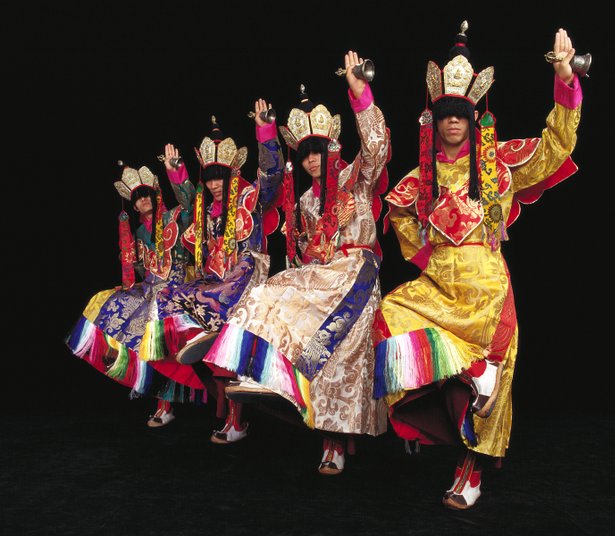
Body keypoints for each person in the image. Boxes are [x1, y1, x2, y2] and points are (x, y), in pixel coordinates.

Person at [373, 23, 583, 509]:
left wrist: (565, 79)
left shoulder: (500, 164)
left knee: (490, 388)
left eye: (460, 115)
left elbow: (556, 147)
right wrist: (424, 256)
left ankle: (470, 473)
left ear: (472, 118)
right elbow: (398, 212)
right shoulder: (418, 178)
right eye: (444, 114)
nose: (452, 123)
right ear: (435, 119)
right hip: (437, 286)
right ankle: (470, 369)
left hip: (486, 289)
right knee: (389, 314)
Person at [199, 51, 391, 475]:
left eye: (317, 151)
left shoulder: (356, 177)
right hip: (319, 276)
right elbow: (305, 254)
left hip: (355, 274)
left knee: (335, 349)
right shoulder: (304, 200)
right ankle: (261, 370)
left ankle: (334, 443)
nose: (310, 160)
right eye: (304, 154)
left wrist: (361, 96)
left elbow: (377, 149)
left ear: (331, 147)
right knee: (268, 290)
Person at [141, 106, 283, 444]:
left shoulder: (251, 197)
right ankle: (199, 332)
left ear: (232, 174)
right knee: (166, 295)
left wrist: (266, 133)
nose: (215, 184)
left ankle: (236, 420)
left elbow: (273, 174)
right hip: (215, 283)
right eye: (210, 178)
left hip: (246, 279)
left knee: (225, 310)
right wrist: (177, 173)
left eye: (221, 176)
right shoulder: (204, 209)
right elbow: (188, 196)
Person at [65, 154, 203, 426]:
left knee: (153, 321)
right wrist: (133, 268)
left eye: (146, 194)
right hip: (151, 288)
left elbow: (191, 205)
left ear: (155, 193)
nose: (142, 200)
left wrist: (177, 172)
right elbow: (145, 272)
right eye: (137, 197)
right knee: (107, 301)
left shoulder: (175, 215)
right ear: (133, 204)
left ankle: (166, 402)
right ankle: (151, 390)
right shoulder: (138, 233)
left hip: (176, 287)